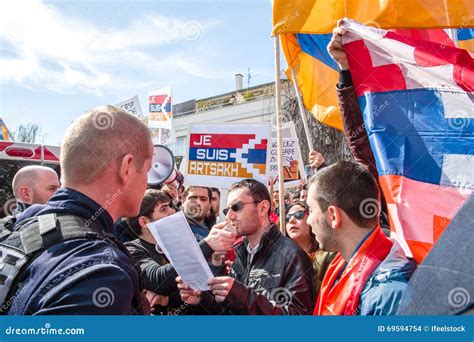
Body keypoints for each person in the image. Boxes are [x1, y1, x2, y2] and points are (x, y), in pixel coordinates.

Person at [6, 105, 154, 315]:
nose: (148, 182)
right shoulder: (102, 274)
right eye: (147, 169)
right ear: (127, 168)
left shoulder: (14, 227)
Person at [178, 179, 316, 315]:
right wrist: (201, 299)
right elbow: (227, 311)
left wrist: (241, 295)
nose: (229, 216)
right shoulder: (241, 252)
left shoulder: (292, 256)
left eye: (237, 207)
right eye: (227, 210)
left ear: (262, 208)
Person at [307, 161, 416, 315]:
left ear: (333, 215)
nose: (308, 220)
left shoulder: (390, 294)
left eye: (311, 210)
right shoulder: (340, 266)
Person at [125, 189, 237, 315]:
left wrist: (169, 299)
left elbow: (205, 293)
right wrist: (207, 245)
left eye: (170, 206)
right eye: (163, 209)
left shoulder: (181, 244)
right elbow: (157, 280)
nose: (172, 212)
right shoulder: (131, 250)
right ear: (144, 222)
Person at [285, 201, 335, 295]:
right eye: (287, 218)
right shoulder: (282, 259)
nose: (292, 220)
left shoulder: (329, 254)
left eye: (298, 215)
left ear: (310, 218)